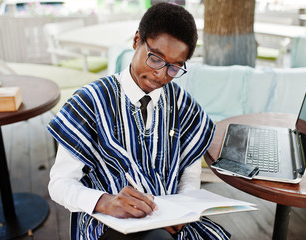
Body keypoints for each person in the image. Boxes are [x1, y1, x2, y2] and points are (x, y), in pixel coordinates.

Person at [47, 2, 231, 240]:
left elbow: (189, 176)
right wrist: (106, 201)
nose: (161, 74)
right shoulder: (90, 102)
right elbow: (59, 184)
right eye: (156, 59)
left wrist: (183, 211)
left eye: (175, 67)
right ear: (136, 41)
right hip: (109, 223)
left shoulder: (184, 106)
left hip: (170, 219)